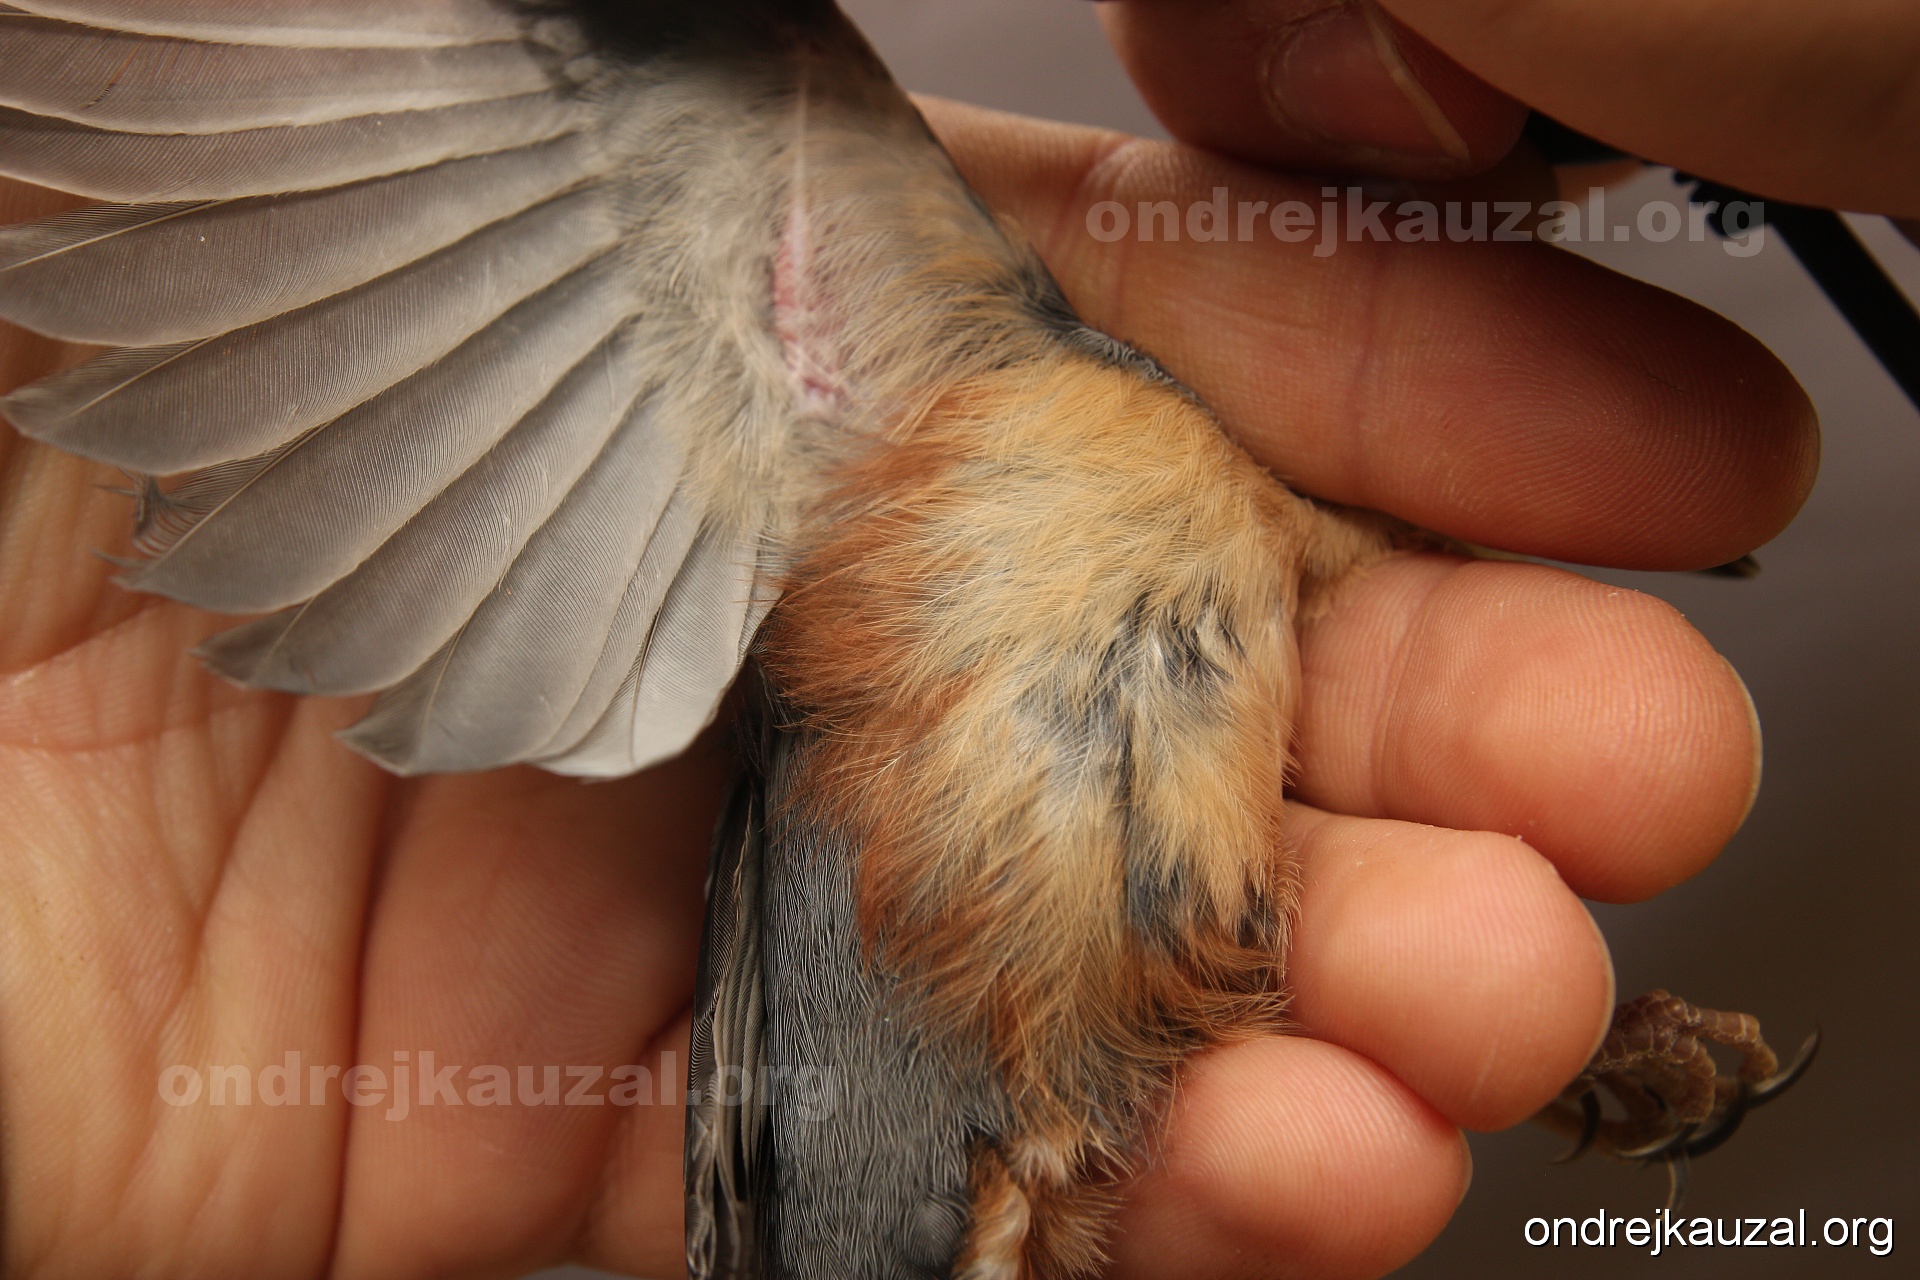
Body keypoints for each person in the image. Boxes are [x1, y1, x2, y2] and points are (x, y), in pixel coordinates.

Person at [1, 0, 1901, 1275]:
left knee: (1426, 994)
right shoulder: (861, 267)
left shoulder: (1143, 392)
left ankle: (1541, 1042)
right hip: (907, 1043)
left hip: (952, 1028)